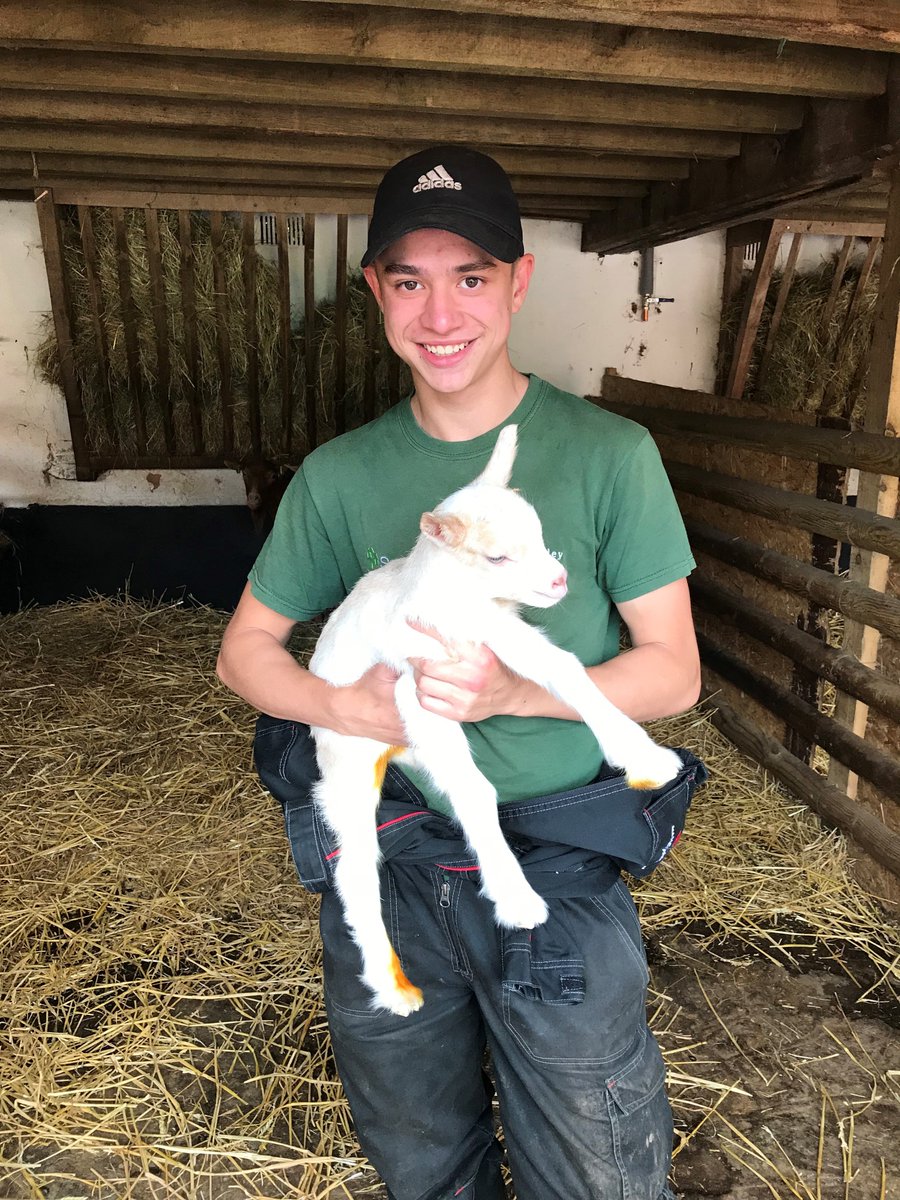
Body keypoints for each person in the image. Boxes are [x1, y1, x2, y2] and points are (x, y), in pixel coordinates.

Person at [217, 145, 703, 1200]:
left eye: (471, 276)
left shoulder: (608, 454)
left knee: (597, 1172)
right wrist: (337, 703)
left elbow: (675, 674)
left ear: (520, 281)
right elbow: (244, 652)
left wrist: (515, 694)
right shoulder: (342, 477)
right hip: (392, 861)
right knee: (420, 1158)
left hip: (554, 863)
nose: (441, 314)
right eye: (409, 279)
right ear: (376, 294)